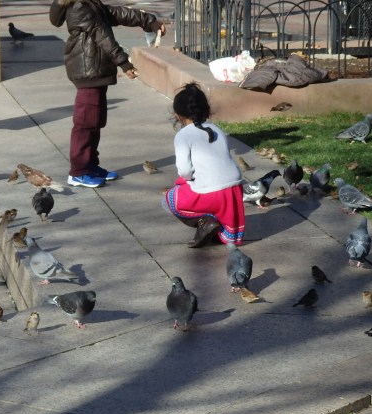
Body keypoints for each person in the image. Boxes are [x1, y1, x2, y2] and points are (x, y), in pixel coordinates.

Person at [50, 0, 166, 188]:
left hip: (96, 69)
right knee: (85, 123)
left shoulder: (90, 3)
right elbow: (102, 36)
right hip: (88, 70)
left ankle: (90, 165)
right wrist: (124, 63)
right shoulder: (80, 7)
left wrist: (148, 21)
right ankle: (78, 171)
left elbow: (117, 13)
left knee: (95, 121)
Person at [163, 82, 245, 247]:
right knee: (208, 190)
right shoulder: (216, 129)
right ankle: (219, 228)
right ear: (206, 110)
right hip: (234, 191)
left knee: (169, 199)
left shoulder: (183, 135)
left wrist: (189, 179)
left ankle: (204, 222)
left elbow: (184, 170)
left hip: (211, 195)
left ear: (178, 115)